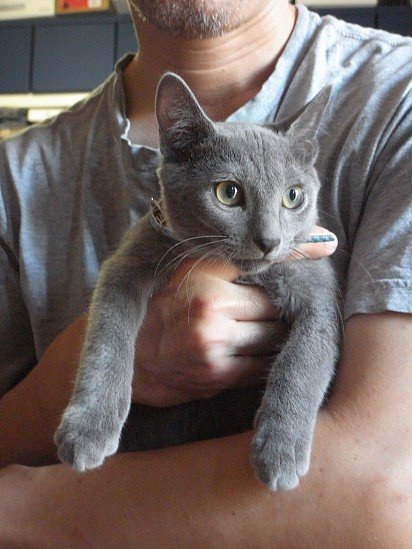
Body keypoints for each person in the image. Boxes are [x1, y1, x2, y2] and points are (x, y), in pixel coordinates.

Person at [0, 0, 411, 545]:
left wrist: (24, 506)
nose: (269, 236)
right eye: (229, 194)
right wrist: (89, 377)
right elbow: (124, 279)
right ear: (176, 150)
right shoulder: (17, 174)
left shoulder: (396, 95)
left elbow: (388, 491)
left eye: (292, 197)